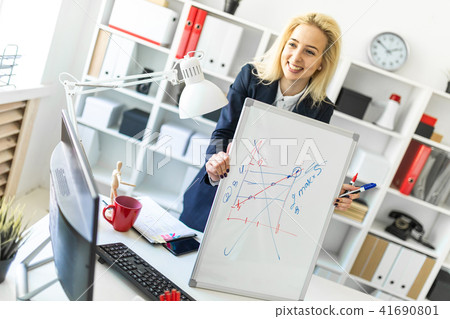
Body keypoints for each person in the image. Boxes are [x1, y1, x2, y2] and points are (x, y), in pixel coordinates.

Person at [180, 13, 359, 232]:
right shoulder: (250, 76)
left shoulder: (321, 108)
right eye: (292, 45)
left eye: (310, 52)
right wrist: (214, 163)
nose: (296, 57)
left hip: (262, 215)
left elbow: (304, 166)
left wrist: (331, 191)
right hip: (212, 198)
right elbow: (223, 132)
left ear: (323, 62)